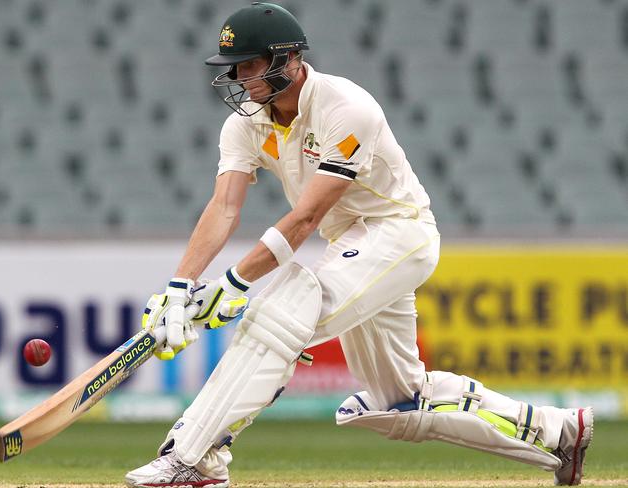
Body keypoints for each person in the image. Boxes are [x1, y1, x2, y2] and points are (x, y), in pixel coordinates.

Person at [125, 3, 593, 487]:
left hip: (398, 232)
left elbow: (307, 216)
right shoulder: (246, 123)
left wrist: (235, 281)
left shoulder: (347, 109)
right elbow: (224, 206)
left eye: (249, 66)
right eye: (235, 68)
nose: (241, 79)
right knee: (397, 403)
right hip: (352, 242)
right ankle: (557, 433)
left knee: (277, 316)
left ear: (287, 60)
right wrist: (181, 286)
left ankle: (194, 458)